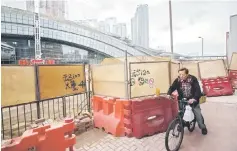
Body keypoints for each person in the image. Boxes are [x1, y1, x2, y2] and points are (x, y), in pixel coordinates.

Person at [167, 67, 208, 135]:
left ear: (187, 74)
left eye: (183, 74)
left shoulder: (193, 79)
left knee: (198, 115)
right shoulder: (178, 80)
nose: (181, 76)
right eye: (180, 74)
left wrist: (194, 98)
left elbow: (198, 90)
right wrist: (168, 93)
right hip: (183, 99)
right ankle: (182, 124)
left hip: (193, 99)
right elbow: (172, 87)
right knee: (181, 113)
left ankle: (203, 127)